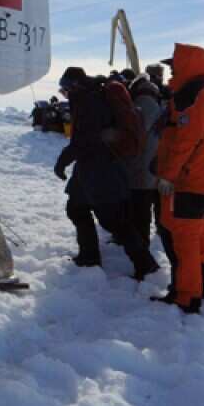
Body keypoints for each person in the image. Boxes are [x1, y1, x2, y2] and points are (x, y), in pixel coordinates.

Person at [54, 67, 159, 280]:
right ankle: (89, 257)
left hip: (101, 170)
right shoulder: (93, 96)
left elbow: (84, 140)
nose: (63, 94)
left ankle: (145, 264)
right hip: (90, 169)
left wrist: (62, 161)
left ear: (74, 85)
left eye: (64, 89)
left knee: (115, 221)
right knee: (76, 208)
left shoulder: (88, 101)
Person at [155, 44, 204, 313]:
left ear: (186, 65)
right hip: (202, 179)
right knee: (199, 237)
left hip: (190, 179)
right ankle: (203, 289)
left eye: (173, 66)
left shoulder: (194, 95)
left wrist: (168, 175)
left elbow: (187, 140)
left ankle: (187, 296)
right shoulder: (203, 91)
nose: (170, 71)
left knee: (185, 239)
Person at [124, 74, 176, 284]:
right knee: (162, 218)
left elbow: (133, 139)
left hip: (141, 173)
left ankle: (143, 266)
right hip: (161, 171)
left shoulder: (138, 107)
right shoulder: (162, 107)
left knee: (140, 218)